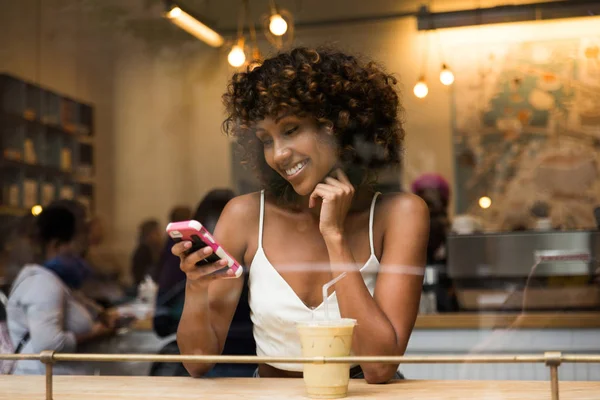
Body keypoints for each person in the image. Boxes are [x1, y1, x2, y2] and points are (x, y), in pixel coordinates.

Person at [173, 47, 429, 383]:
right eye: (266, 139)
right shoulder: (245, 216)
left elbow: (379, 368)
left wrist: (334, 238)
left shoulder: (400, 215)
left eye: (291, 130)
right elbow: (198, 362)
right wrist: (195, 286)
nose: (278, 155)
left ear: (338, 126)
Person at [151, 189, 256, 377]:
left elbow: (161, 321)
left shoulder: (253, 280)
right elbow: (196, 361)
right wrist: (195, 287)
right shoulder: (189, 269)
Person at [6, 204, 115, 375]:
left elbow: (76, 303)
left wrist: (100, 313)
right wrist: (96, 333)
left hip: (59, 384)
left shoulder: (54, 280)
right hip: (44, 386)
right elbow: (48, 345)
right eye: (77, 247)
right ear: (56, 245)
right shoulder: (42, 283)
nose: (81, 256)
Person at [131, 219, 162, 290]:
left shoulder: (153, 250)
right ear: (148, 234)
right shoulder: (143, 251)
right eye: (157, 233)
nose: (160, 236)